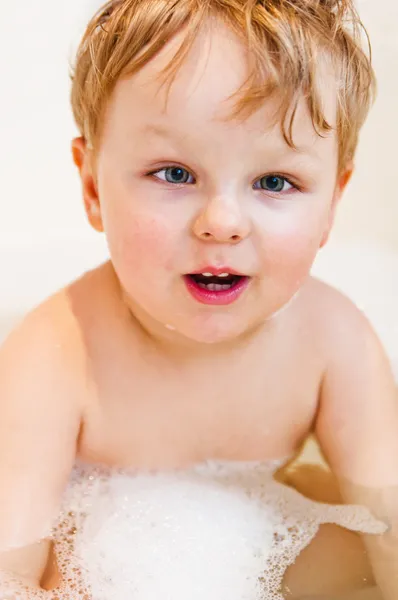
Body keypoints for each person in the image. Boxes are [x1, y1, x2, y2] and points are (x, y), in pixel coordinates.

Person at [0, 0, 397, 598]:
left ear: (332, 207)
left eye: (274, 182)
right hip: (112, 555)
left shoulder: (334, 344)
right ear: (92, 188)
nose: (223, 222)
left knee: (350, 560)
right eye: (174, 173)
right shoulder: (57, 354)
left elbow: (388, 527)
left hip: (258, 546)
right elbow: (10, 560)